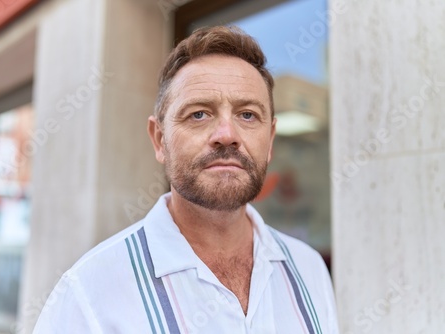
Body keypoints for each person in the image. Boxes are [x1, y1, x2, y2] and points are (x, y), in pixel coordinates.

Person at [34, 26, 338, 334]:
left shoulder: (308, 269)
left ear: (270, 141)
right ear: (159, 140)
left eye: (247, 115)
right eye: (199, 114)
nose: (227, 136)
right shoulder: (88, 293)